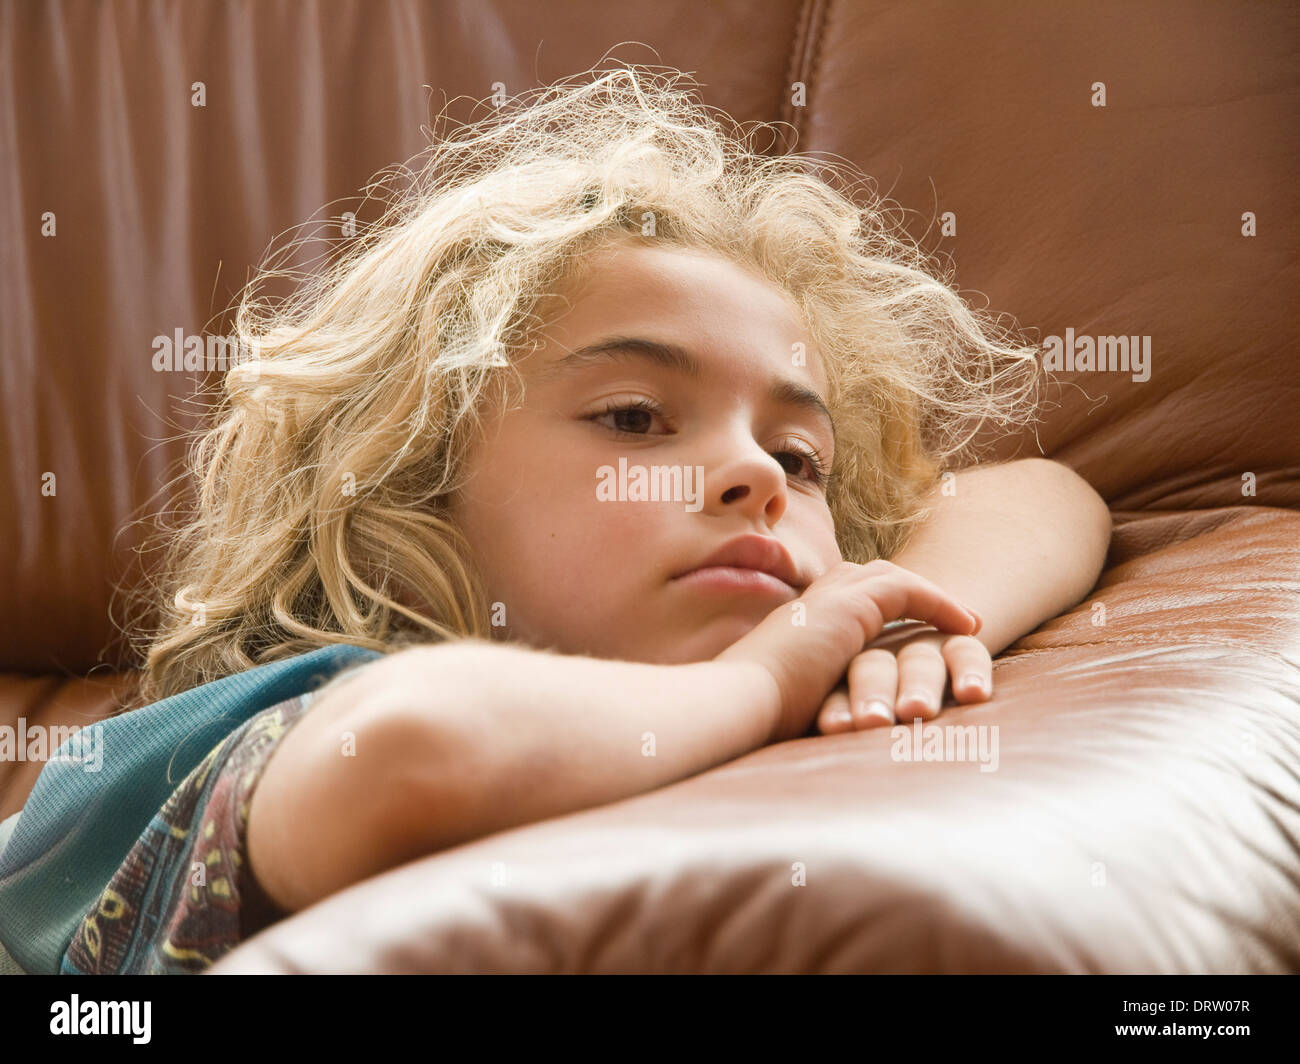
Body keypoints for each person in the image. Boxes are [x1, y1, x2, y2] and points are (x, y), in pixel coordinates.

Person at [0, 65, 1110, 974]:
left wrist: (903, 615)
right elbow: (407, 746)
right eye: (634, 417)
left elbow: (1043, 495)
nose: (754, 475)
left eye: (798, 457)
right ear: (411, 481)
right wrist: (759, 681)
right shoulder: (214, 730)